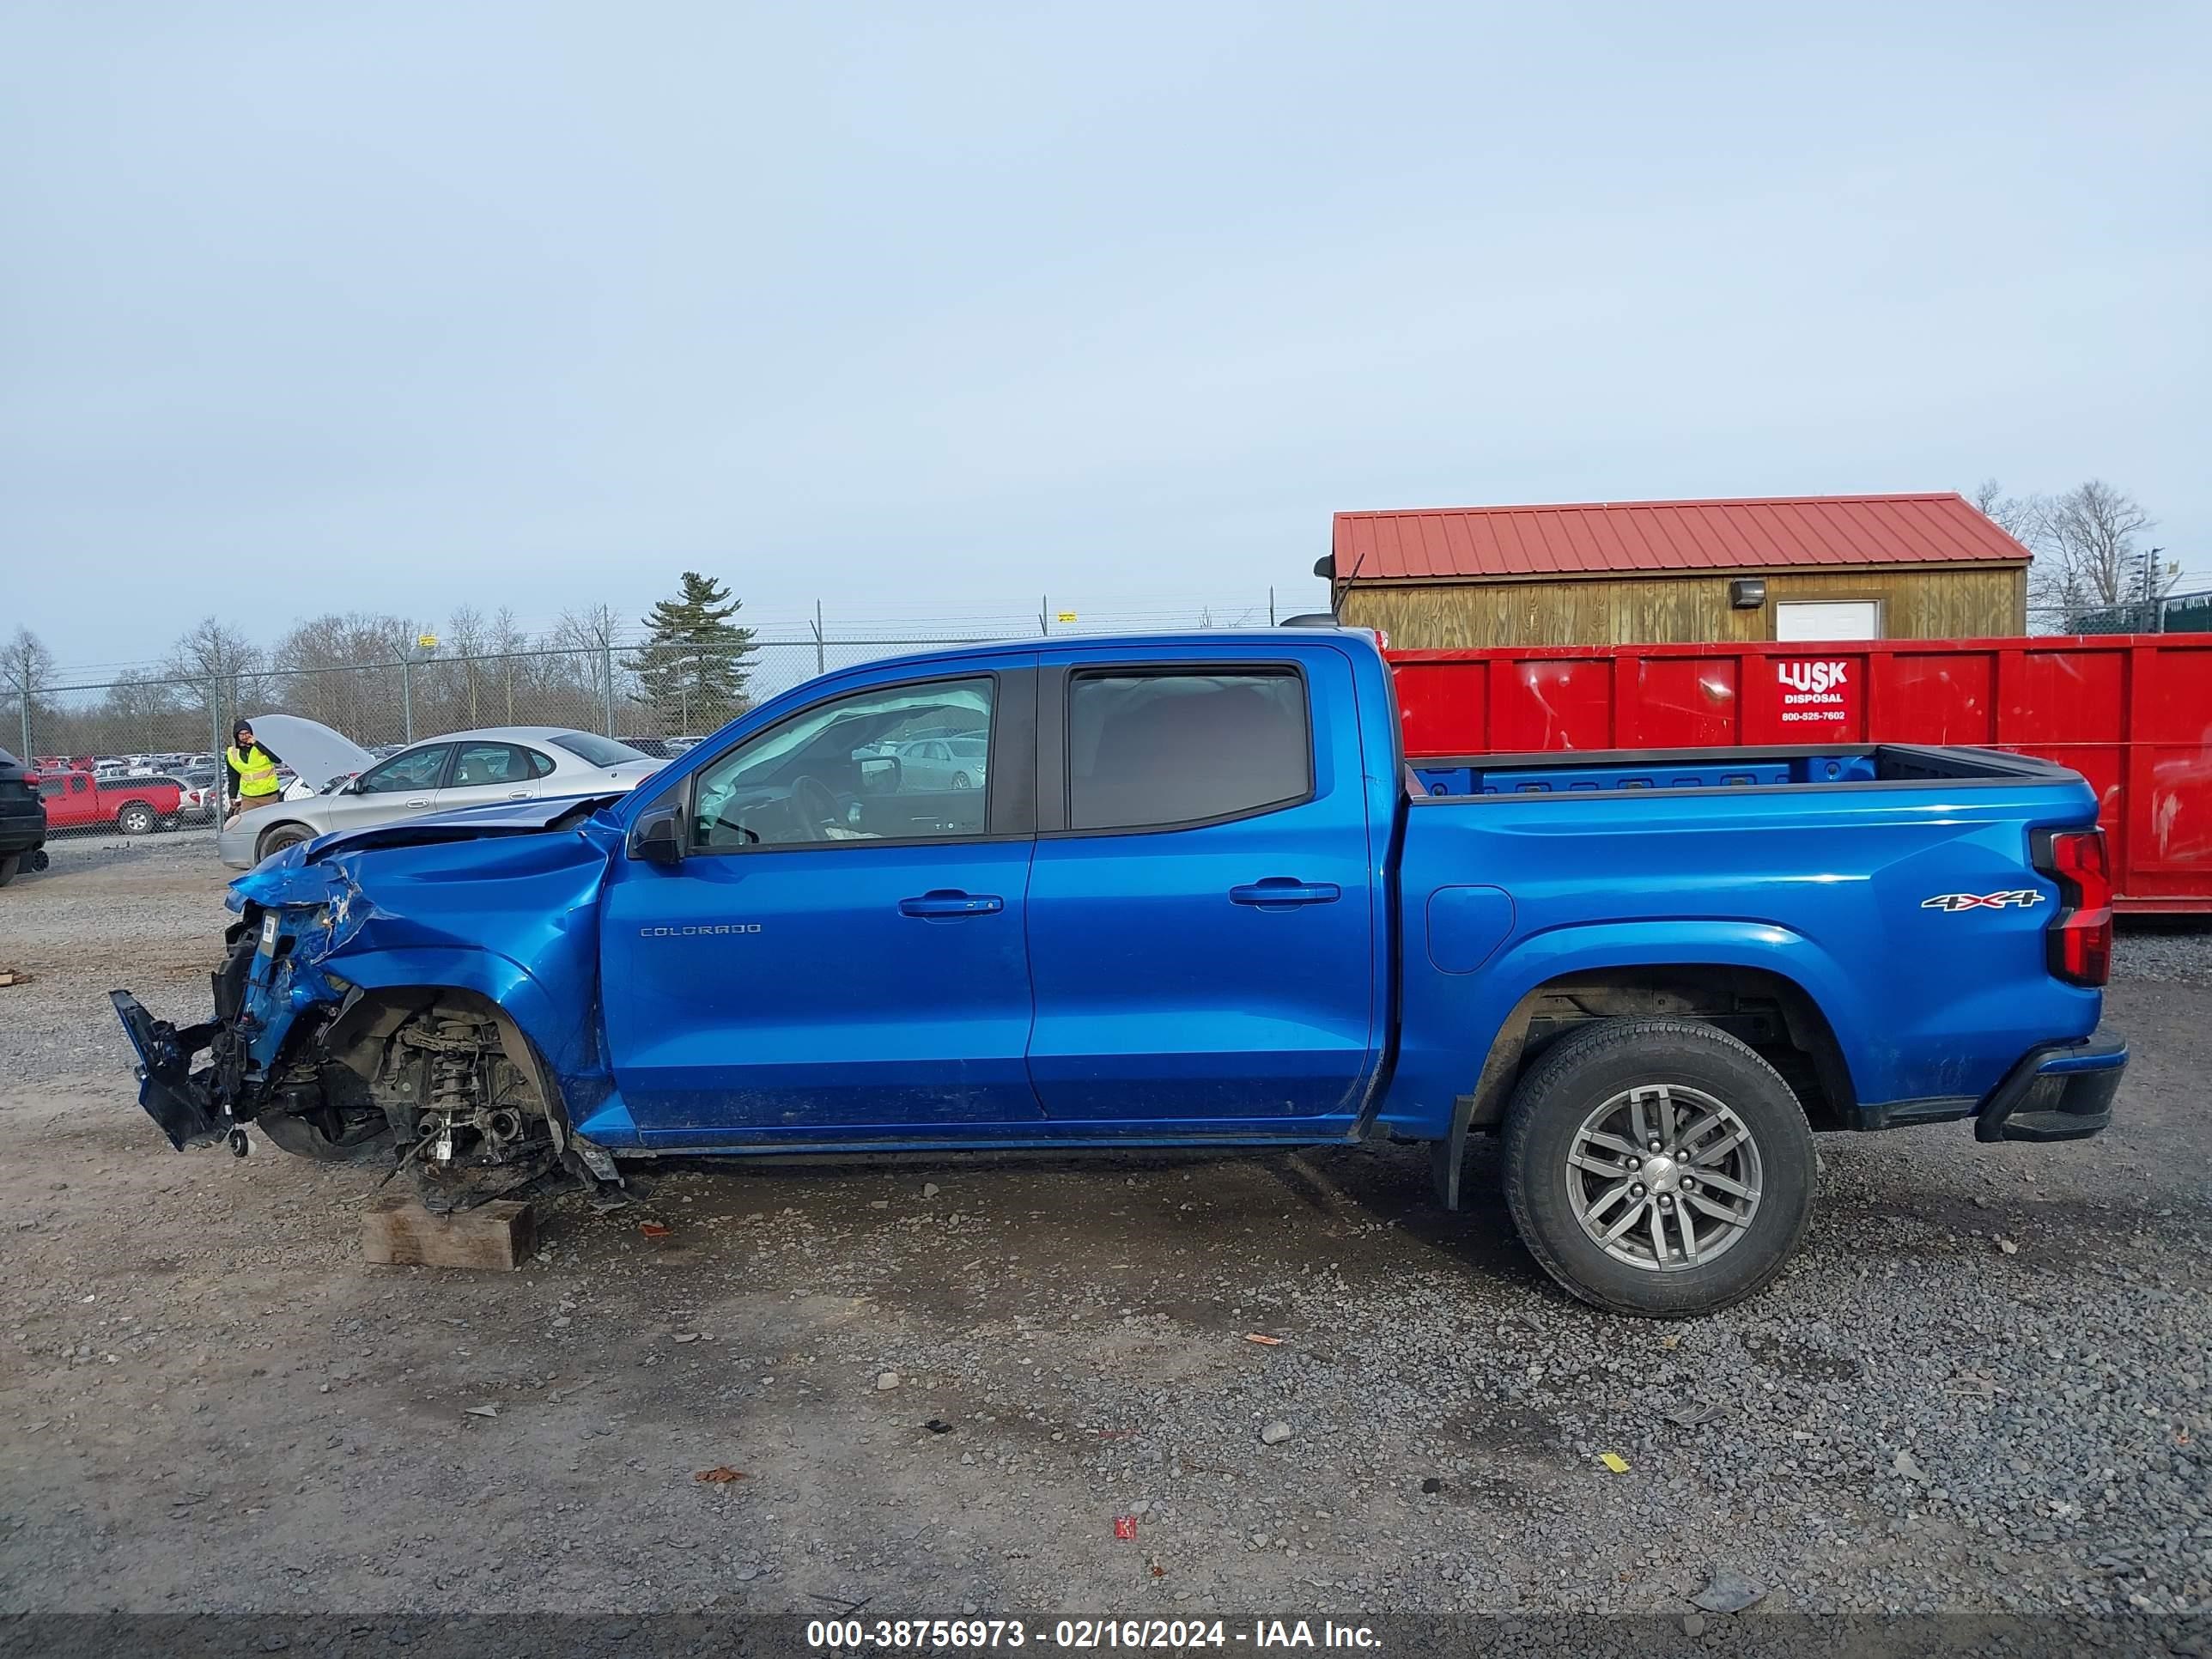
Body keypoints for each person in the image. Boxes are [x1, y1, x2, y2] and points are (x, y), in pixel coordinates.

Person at [224, 721, 286, 822]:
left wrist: (256, 743)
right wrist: (232, 795)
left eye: (247, 733)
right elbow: (233, 777)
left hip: (269, 794)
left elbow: (277, 759)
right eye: (241, 734)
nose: (245, 737)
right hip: (249, 797)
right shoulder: (232, 753)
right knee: (247, 823)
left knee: (271, 822)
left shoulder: (261, 747)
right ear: (236, 735)